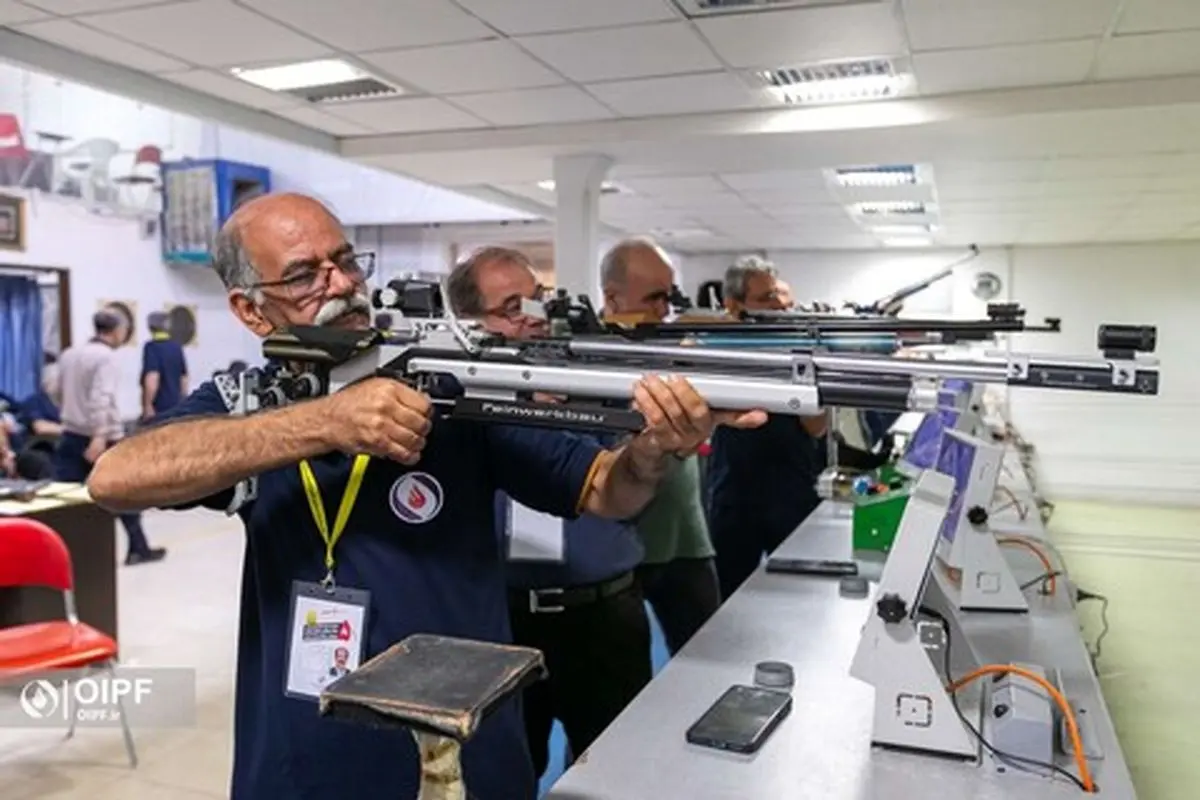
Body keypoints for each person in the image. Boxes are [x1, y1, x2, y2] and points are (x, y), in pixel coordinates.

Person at [85, 193, 764, 800]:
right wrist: (323, 421)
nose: (343, 284)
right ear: (248, 309)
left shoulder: (444, 381)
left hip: (460, 747)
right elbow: (114, 477)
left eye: (346, 261)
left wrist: (652, 450)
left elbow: (602, 489)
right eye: (303, 275)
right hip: (305, 752)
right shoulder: (246, 402)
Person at [447, 247, 652, 778]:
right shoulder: (454, 401)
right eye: (511, 307)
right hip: (502, 620)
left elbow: (632, 473)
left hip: (602, 615)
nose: (533, 320)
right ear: (470, 322)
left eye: (537, 301)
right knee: (507, 769)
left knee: (613, 773)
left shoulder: (596, 376)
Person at [706, 257, 887, 599]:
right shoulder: (717, 349)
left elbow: (816, 428)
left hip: (791, 491)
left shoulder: (798, 349)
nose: (776, 307)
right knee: (729, 596)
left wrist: (812, 368)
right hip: (735, 494)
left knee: (801, 595)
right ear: (733, 306)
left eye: (777, 297)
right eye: (764, 299)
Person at [599, 239, 721, 654]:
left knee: (707, 656)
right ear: (612, 298)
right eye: (652, 299)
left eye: (666, 298)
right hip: (617, 544)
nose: (662, 311)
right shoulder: (583, 354)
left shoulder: (672, 345)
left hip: (684, 536)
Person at [56, 312, 166, 565]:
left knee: (64, 495)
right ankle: (138, 548)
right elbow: (101, 399)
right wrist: (98, 436)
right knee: (124, 492)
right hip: (101, 437)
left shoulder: (69, 354)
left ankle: (61, 552)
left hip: (70, 433)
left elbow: (55, 389)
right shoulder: (106, 358)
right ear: (116, 330)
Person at [141, 311, 189, 420]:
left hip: (159, 407)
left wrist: (148, 405)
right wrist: (184, 401)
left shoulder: (151, 347)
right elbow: (184, 378)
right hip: (176, 405)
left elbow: (152, 377)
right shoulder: (177, 347)